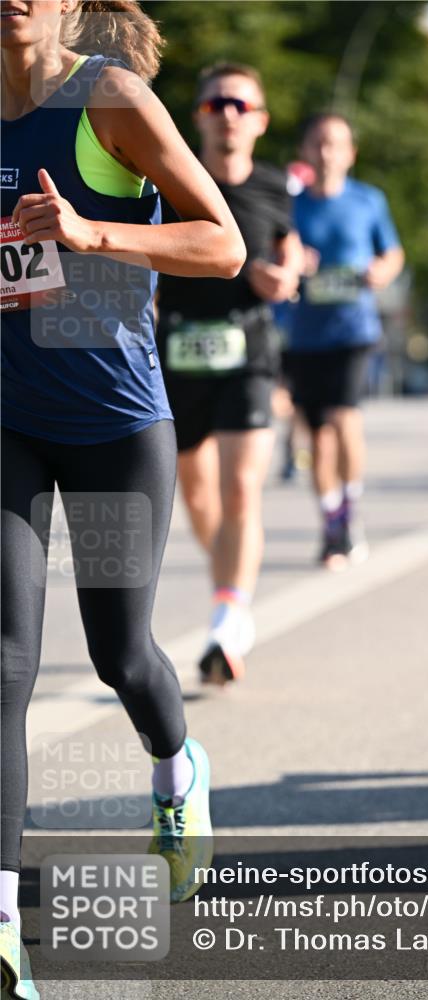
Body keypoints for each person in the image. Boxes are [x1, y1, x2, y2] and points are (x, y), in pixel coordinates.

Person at [0, 2, 246, 994]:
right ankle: (5, 921)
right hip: (8, 420)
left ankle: (177, 767)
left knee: (121, 653)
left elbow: (221, 245)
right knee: (4, 661)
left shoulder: (109, 97)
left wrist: (89, 229)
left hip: (114, 423)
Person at [156, 62, 302, 685]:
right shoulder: (172, 182)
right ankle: (228, 586)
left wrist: (286, 277)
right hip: (178, 351)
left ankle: (228, 618)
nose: (229, 115)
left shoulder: (274, 187)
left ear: (261, 121)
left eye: (242, 105)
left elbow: (288, 248)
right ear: (199, 117)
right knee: (198, 496)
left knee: (242, 485)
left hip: (248, 350)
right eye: (217, 104)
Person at [284, 113, 404, 568]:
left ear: (351, 153)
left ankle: (350, 513)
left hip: (354, 329)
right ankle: (331, 524)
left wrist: (383, 271)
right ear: (306, 151)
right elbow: (275, 251)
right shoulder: (292, 205)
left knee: (344, 417)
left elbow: (392, 252)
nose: (327, 152)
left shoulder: (368, 200)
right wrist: (294, 259)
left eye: (336, 144)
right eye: (318, 143)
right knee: (318, 437)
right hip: (305, 334)